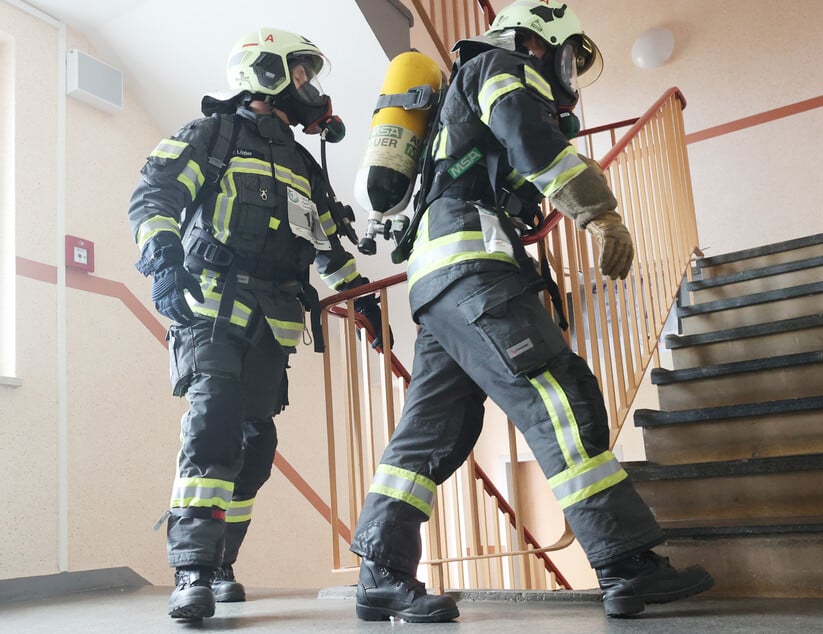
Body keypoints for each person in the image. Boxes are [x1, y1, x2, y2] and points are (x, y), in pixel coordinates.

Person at [348, 0, 713, 623]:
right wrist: (599, 211)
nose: (567, 73)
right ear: (535, 41)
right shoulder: (497, 64)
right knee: (558, 397)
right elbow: (528, 137)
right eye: (566, 56)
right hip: (474, 272)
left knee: (432, 430)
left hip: (438, 282)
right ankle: (625, 560)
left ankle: (381, 571)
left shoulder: (459, 97)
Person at [128, 28, 388, 621]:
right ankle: (190, 568)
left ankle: (221, 561)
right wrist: (163, 263)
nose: (310, 89)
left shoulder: (300, 163)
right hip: (211, 309)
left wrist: (360, 296)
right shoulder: (212, 136)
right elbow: (154, 198)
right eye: (300, 76)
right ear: (264, 73)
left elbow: (326, 242)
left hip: (275, 324)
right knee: (212, 427)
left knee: (257, 446)